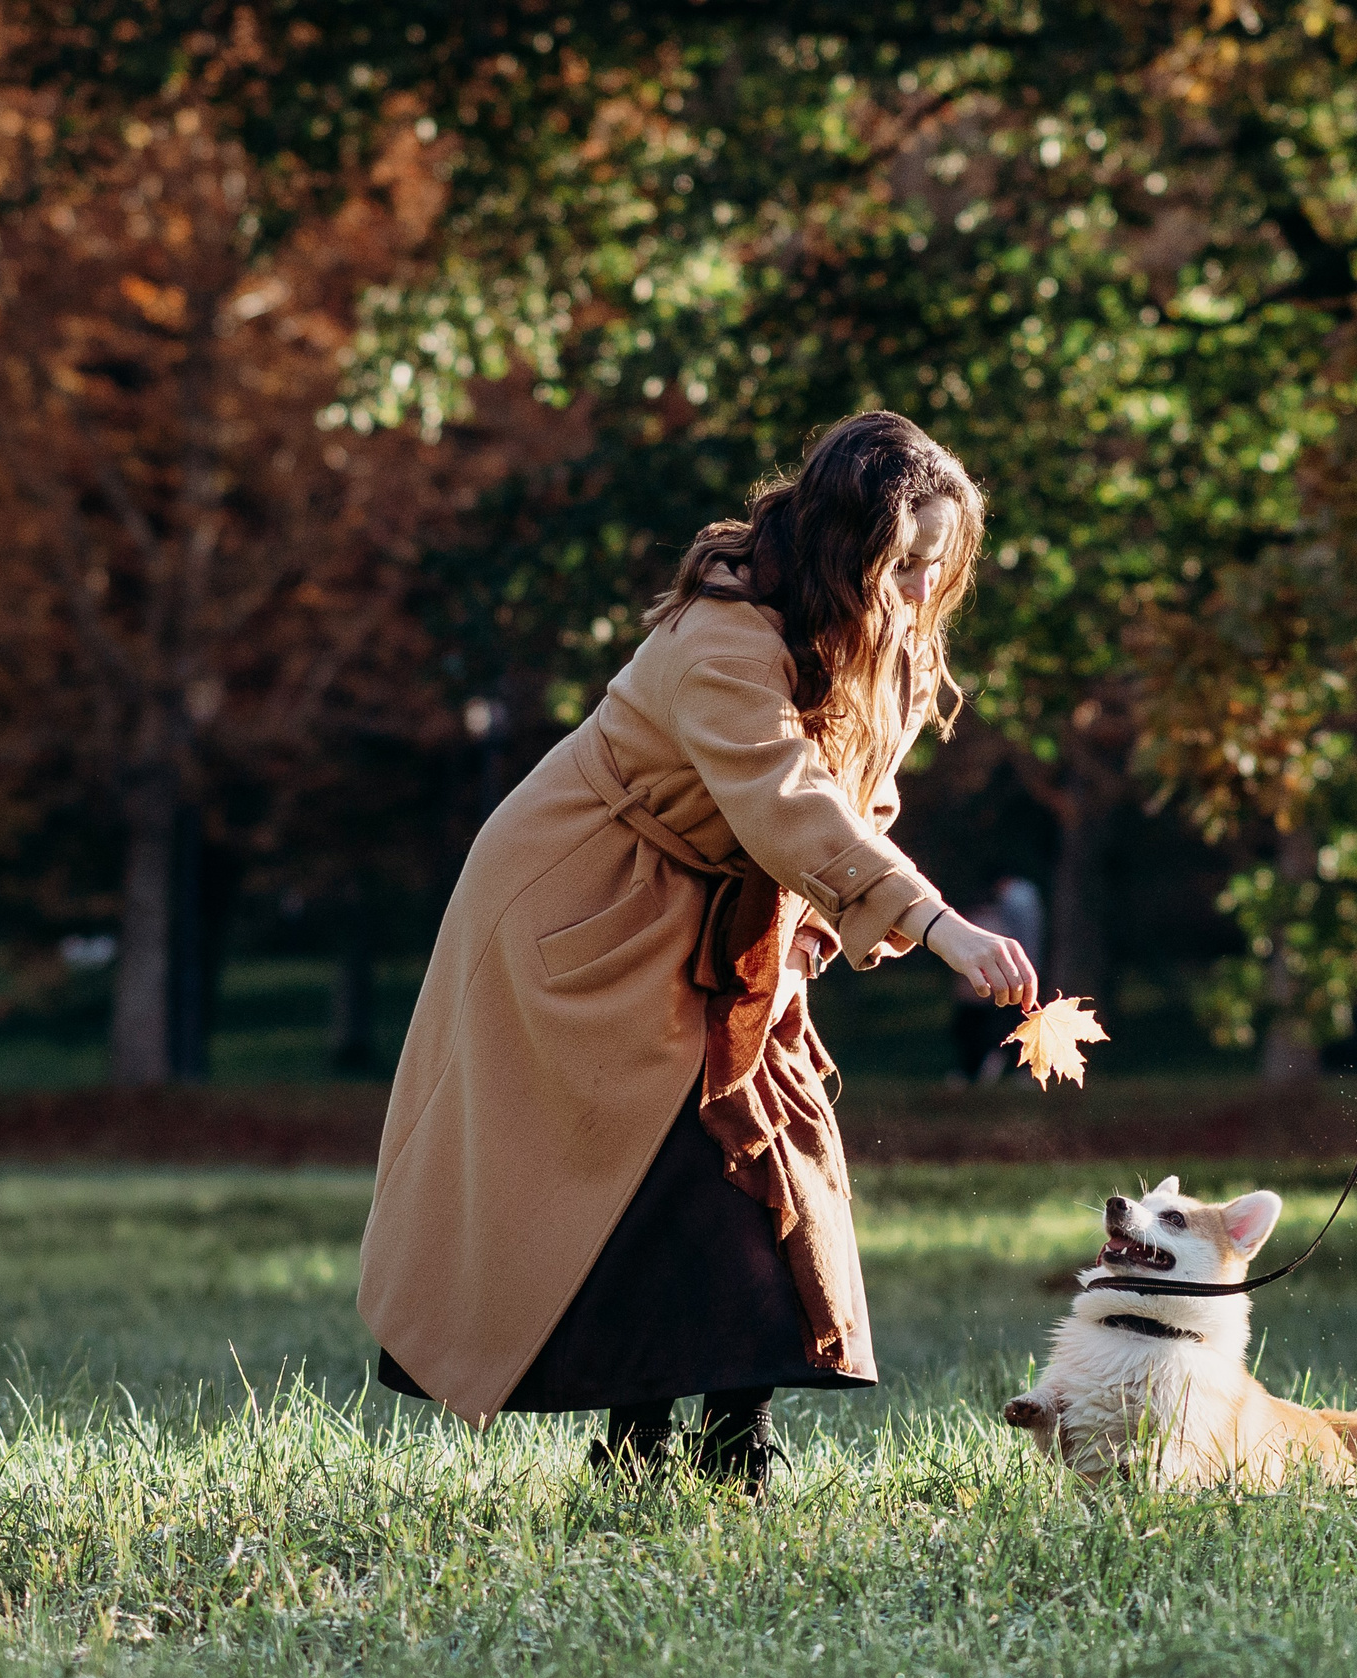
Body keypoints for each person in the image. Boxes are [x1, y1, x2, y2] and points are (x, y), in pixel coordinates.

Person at [358, 412, 1040, 1493]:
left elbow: (852, 801)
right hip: (586, 908)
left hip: (726, 921)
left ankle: (736, 1437)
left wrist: (821, 924)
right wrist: (937, 924)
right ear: (843, 547)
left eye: (937, 568)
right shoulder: (721, 638)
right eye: (900, 565)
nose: (919, 594)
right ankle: (639, 1446)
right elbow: (791, 804)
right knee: (650, 1168)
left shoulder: (887, 645)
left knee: (759, 1153)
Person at [947, 874, 1046, 1085]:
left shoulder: (994, 916)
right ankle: (989, 1069)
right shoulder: (1011, 907)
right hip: (994, 985)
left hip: (993, 986)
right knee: (987, 1029)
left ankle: (989, 1069)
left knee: (996, 1029)